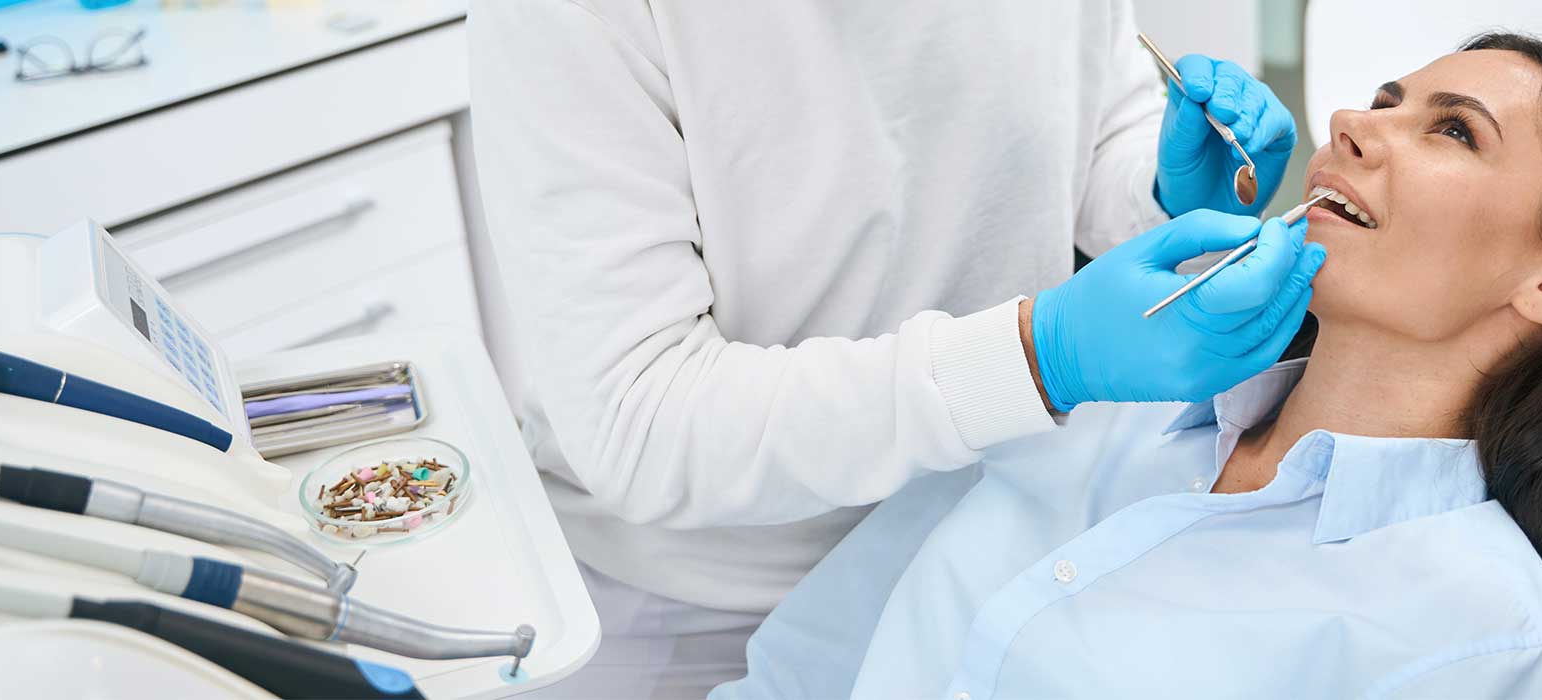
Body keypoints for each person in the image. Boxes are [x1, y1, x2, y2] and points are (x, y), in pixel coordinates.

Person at [714, 33, 1542, 698]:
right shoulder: (1093, 410)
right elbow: (796, 673)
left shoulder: (1485, 649)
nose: (1354, 124)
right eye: (1386, 97)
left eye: (1452, 132)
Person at [468, 2, 1314, 694]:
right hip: (699, 590)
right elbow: (642, 421)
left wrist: (1155, 189)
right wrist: (1036, 357)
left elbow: (1088, 123)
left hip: (981, 527)